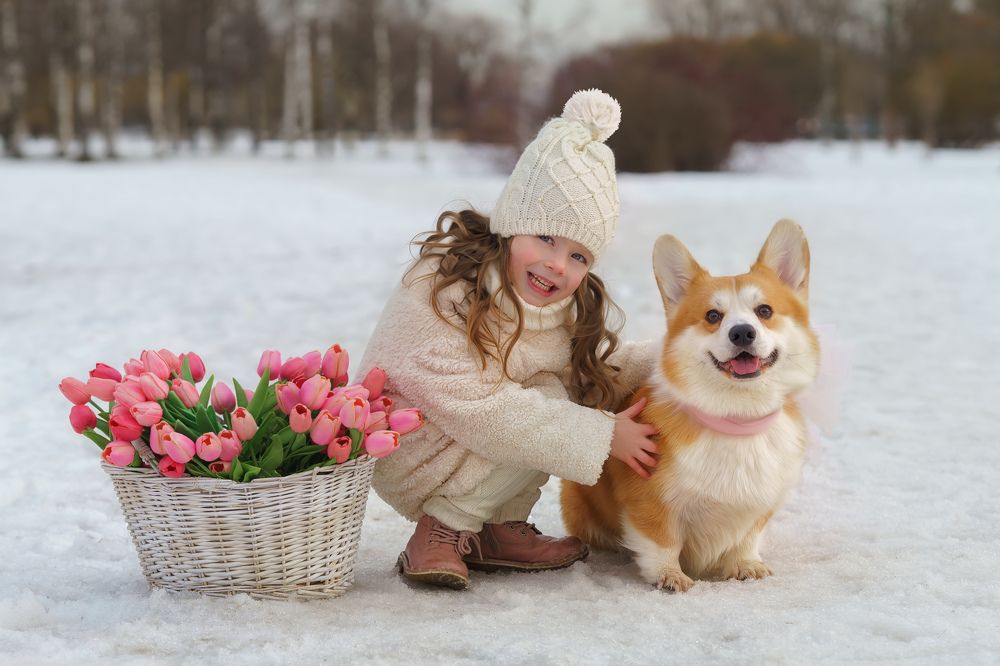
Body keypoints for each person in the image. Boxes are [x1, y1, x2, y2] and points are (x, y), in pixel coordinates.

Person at [358, 89, 659, 590]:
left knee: (556, 389)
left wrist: (677, 357)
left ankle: (496, 529)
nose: (558, 265)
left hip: (473, 438)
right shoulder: (443, 286)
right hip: (410, 441)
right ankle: (442, 529)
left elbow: (596, 375)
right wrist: (603, 436)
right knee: (544, 405)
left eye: (580, 256)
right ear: (514, 222)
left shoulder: (563, 309)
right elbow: (476, 407)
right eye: (546, 238)